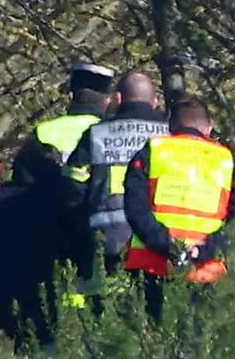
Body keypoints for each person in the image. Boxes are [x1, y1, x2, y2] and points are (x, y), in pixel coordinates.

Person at [0, 62, 116, 348]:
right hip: (105, 239)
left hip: (49, 244)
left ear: (72, 95)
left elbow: (22, 192)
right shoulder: (112, 135)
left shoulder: (44, 133)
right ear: (107, 99)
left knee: (50, 324)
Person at [117, 96, 235, 324]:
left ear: (170, 128)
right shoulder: (228, 160)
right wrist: (206, 249)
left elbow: (134, 208)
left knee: (148, 339)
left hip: (152, 263)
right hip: (205, 269)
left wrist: (167, 245)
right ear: (208, 128)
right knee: (196, 345)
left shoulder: (153, 150)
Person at [70, 71, 172, 316]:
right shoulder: (169, 134)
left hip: (106, 237)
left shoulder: (97, 133)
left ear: (117, 98)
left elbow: (73, 183)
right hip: (154, 237)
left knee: (106, 312)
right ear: (155, 100)